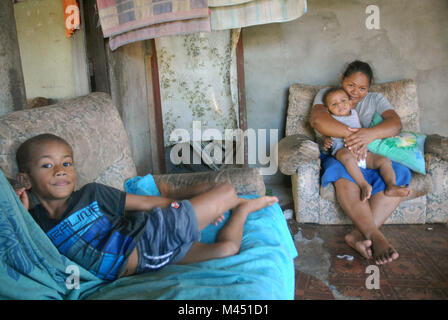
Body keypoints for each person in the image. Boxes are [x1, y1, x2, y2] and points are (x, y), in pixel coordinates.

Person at [14, 133, 278, 281]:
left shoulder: (91, 194)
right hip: (150, 264)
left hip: (148, 238)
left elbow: (149, 203)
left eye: (67, 163)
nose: (60, 171)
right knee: (227, 250)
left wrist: (185, 211)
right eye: (47, 165)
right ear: (25, 179)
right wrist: (22, 211)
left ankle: (232, 202)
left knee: (227, 191)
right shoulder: (35, 224)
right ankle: (243, 210)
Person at [309, 60, 412, 265]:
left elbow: (395, 124)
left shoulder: (376, 99)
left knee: (398, 172)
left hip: (366, 155)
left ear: (369, 88)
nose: (355, 92)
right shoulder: (327, 94)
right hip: (341, 154)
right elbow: (319, 120)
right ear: (342, 80)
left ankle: (357, 236)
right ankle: (375, 237)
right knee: (342, 171)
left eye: (362, 88)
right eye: (351, 86)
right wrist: (355, 137)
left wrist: (369, 135)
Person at [322, 86, 410, 202]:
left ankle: (391, 185)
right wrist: (325, 140)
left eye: (343, 101)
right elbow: (325, 132)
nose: (340, 105)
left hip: (361, 152)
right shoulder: (330, 118)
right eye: (334, 104)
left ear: (349, 102)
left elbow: (361, 130)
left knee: (383, 160)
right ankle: (363, 185)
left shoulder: (354, 113)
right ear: (328, 109)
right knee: (345, 156)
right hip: (342, 150)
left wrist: (364, 143)